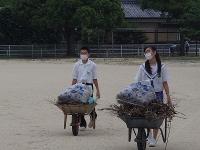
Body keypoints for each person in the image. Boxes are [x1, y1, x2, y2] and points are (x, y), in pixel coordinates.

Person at [135, 46, 172, 147]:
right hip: (146, 94)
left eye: (149, 51)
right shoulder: (142, 67)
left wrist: (168, 96)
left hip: (158, 94)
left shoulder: (162, 67)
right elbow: (137, 82)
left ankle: (154, 138)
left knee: (156, 116)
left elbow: (165, 82)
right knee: (146, 115)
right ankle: (149, 135)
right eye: (145, 52)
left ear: (154, 52)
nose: (147, 53)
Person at [72, 47, 100, 128]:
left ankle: (93, 116)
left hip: (89, 86)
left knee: (89, 103)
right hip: (79, 86)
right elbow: (74, 78)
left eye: (85, 53)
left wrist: (98, 90)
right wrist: (72, 89)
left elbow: (95, 78)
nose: (83, 55)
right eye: (82, 53)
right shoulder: (77, 65)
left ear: (88, 54)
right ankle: (82, 122)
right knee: (79, 104)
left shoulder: (92, 65)